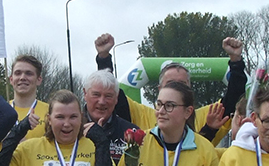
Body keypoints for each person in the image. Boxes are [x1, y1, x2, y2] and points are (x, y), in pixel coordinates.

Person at [93, 33, 248, 145]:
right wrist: (104, 59)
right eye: (171, 84)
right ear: (159, 88)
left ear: (190, 89)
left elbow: (234, 97)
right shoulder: (141, 114)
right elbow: (114, 95)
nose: (176, 89)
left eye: (182, 85)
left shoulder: (207, 116)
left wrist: (235, 61)